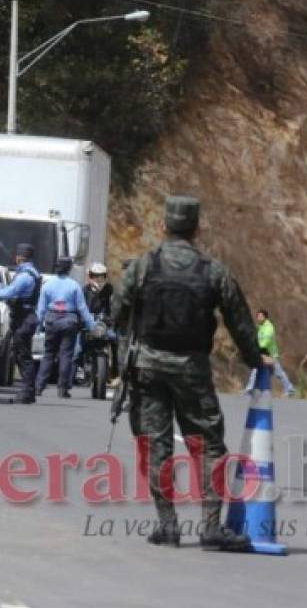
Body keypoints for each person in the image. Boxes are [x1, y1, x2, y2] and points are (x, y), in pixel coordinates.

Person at [112, 195, 264, 549]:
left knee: (154, 445)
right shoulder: (214, 271)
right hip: (192, 370)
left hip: (147, 368)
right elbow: (240, 322)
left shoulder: (143, 266)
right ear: (197, 229)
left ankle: (168, 525)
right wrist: (255, 360)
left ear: (163, 226)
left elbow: (119, 311)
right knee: (208, 444)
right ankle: (211, 527)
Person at [0, 243, 42, 404]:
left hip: (24, 319)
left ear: (19, 257)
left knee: (23, 356)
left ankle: (27, 392)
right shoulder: (30, 273)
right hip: (24, 317)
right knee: (20, 354)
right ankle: (28, 391)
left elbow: (9, 293)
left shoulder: (25, 276)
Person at [35, 256, 95, 398]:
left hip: (51, 321)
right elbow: (82, 308)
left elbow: (41, 308)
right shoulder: (74, 285)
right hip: (69, 321)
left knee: (48, 354)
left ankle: (38, 387)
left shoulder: (47, 285)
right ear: (69, 269)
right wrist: (91, 325)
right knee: (66, 355)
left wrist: (38, 326)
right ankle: (62, 389)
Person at [77, 262, 118, 384]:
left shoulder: (110, 290)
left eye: (101, 276)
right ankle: (76, 372)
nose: (98, 279)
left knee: (116, 341)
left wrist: (114, 317)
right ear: (90, 276)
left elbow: (115, 306)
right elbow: (80, 307)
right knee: (77, 350)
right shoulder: (84, 290)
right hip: (87, 325)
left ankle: (115, 373)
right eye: (95, 275)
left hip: (104, 324)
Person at [244, 310, 295, 397]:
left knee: (279, 373)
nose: (258, 318)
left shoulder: (269, 327)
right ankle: (250, 389)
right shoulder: (261, 327)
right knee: (256, 370)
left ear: (265, 317)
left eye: (261, 316)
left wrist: (257, 347)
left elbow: (265, 341)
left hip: (270, 355)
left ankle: (290, 389)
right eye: (258, 316)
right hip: (263, 354)